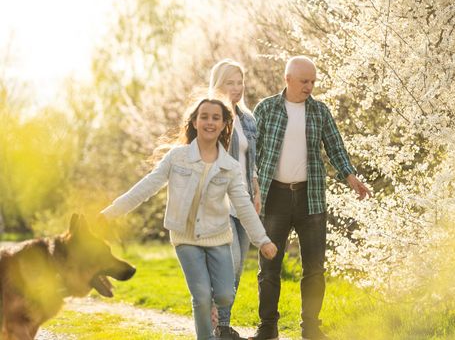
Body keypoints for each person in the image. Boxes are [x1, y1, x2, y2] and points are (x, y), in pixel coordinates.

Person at [100, 97, 278, 340]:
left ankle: (213, 308)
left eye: (216, 118)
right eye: (204, 116)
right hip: (185, 238)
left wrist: (263, 240)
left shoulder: (230, 166)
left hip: (217, 237)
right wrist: (109, 213)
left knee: (225, 295)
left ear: (225, 124)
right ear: (194, 122)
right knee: (202, 296)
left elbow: (244, 206)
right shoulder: (177, 157)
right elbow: (146, 187)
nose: (209, 122)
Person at [249, 56, 371, 340]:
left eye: (313, 82)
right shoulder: (266, 109)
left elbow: (335, 148)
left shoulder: (319, 111)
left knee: (315, 268)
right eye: (305, 81)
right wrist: (250, 188)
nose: (309, 87)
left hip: (310, 197)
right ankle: (267, 328)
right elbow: (251, 153)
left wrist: (350, 176)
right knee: (269, 268)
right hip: (274, 197)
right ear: (288, 79)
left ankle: (311, 329)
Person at [208, 59, 261, 340]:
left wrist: (257, 189)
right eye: (230, 82)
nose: (237, 88)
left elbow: (251, 161)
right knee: (230, 262)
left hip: (244, 200)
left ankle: (221, 325)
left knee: (238, 266)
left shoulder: (248, 119)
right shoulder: (211, 117)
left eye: (240, 82)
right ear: (218, 84)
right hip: (220, 202)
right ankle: (218, 326)